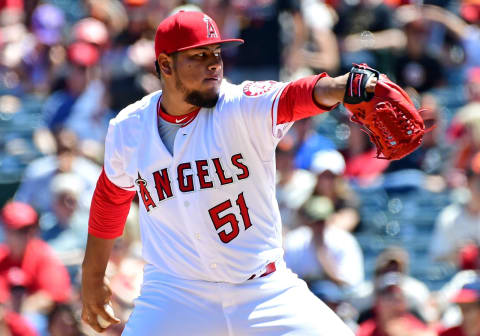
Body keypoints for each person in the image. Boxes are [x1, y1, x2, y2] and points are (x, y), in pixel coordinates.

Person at [81, 10, 381, 335]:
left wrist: (341, 86)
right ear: (166, 65)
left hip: (262, 289)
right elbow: (111, 198)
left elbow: (294, 96)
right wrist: (93, 276)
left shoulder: (239, 105)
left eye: (217, 53)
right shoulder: (129, 128)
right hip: (174, 296)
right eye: (199, 55)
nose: (214, 63)